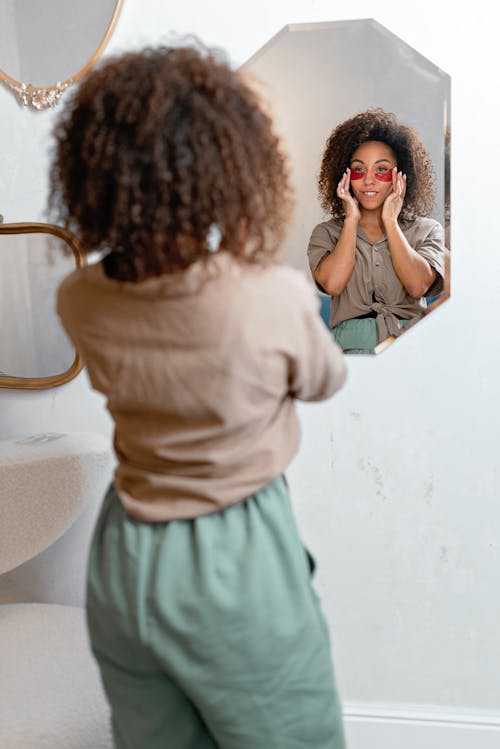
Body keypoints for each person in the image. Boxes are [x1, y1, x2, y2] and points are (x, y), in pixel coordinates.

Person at [51, 45, 347, 749]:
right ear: (230, 170)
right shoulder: (267, 299)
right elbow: (325, 377)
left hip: (123, 560)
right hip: (234, 562)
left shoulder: (79, 298)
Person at [308, 108, 446, 354]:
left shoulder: (427, 230)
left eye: (381, 169)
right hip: (349, 356)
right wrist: (351, 218)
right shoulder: (326, 232)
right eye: (359, 170)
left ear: (401, 175)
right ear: (346, 176)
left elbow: (417, 287)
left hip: (410, 352)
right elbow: (333, 285)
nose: (368, 180)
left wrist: (390, 222)